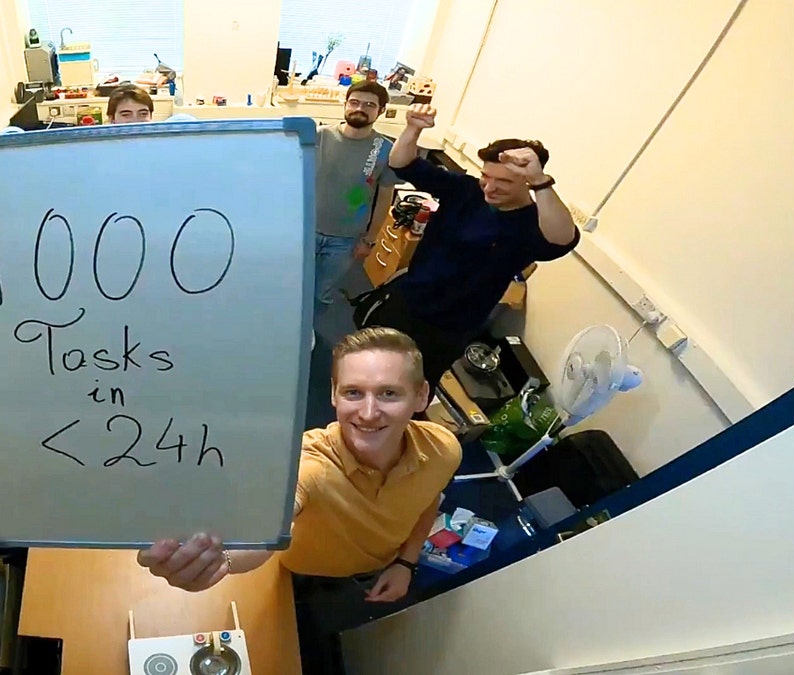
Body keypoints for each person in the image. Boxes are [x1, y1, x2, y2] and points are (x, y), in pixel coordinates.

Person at [137, 327, 462, 672]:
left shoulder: (443, 449)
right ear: (334, 395)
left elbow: (431, 499)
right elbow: (269, 523)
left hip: (380, 567)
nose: (368, 412)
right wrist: (222, 560)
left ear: (421, 396)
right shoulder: (306, 466)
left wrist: (405, 563)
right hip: (302, 575)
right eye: (353, 392)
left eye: (388, 394)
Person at [356, 103, 580, 384]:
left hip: (449, 326)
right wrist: (413, 128)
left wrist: (541, 182)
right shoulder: (467, 190)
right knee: (367, 363)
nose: (489, 187)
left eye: (504, 182)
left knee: (409, 385)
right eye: (486, 176)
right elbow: (402, 163)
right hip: (408, 299)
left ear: (527, 183)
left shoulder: (532, 224)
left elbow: (563, 239)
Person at [312, 81, 399, 323]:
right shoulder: (320, 137)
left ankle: (309, 329)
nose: (360, 108)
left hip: (345, 240)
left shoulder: (384, 149)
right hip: (305, 230)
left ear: (380, 111)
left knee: (322, 294)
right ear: (345, 104)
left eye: (370, 105)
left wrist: (369, 240)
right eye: (355, 102)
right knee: (294, 286)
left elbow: (384, 198)